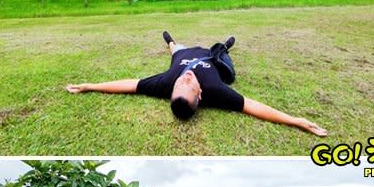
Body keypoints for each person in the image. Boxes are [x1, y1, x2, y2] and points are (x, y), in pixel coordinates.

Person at [66, 31, 328, 136]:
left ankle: (169, 39)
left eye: (182, 82)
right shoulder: (215, 92)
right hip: (210, 56)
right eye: (186, 83)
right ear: (199, 95)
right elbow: (253, 106)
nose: (185, 78)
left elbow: (129, 85)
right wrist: (296, 120)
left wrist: (91, 85)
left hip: (182, 53)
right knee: (220, 52)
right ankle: (225, 45)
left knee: (174, 50)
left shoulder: (166, 83)